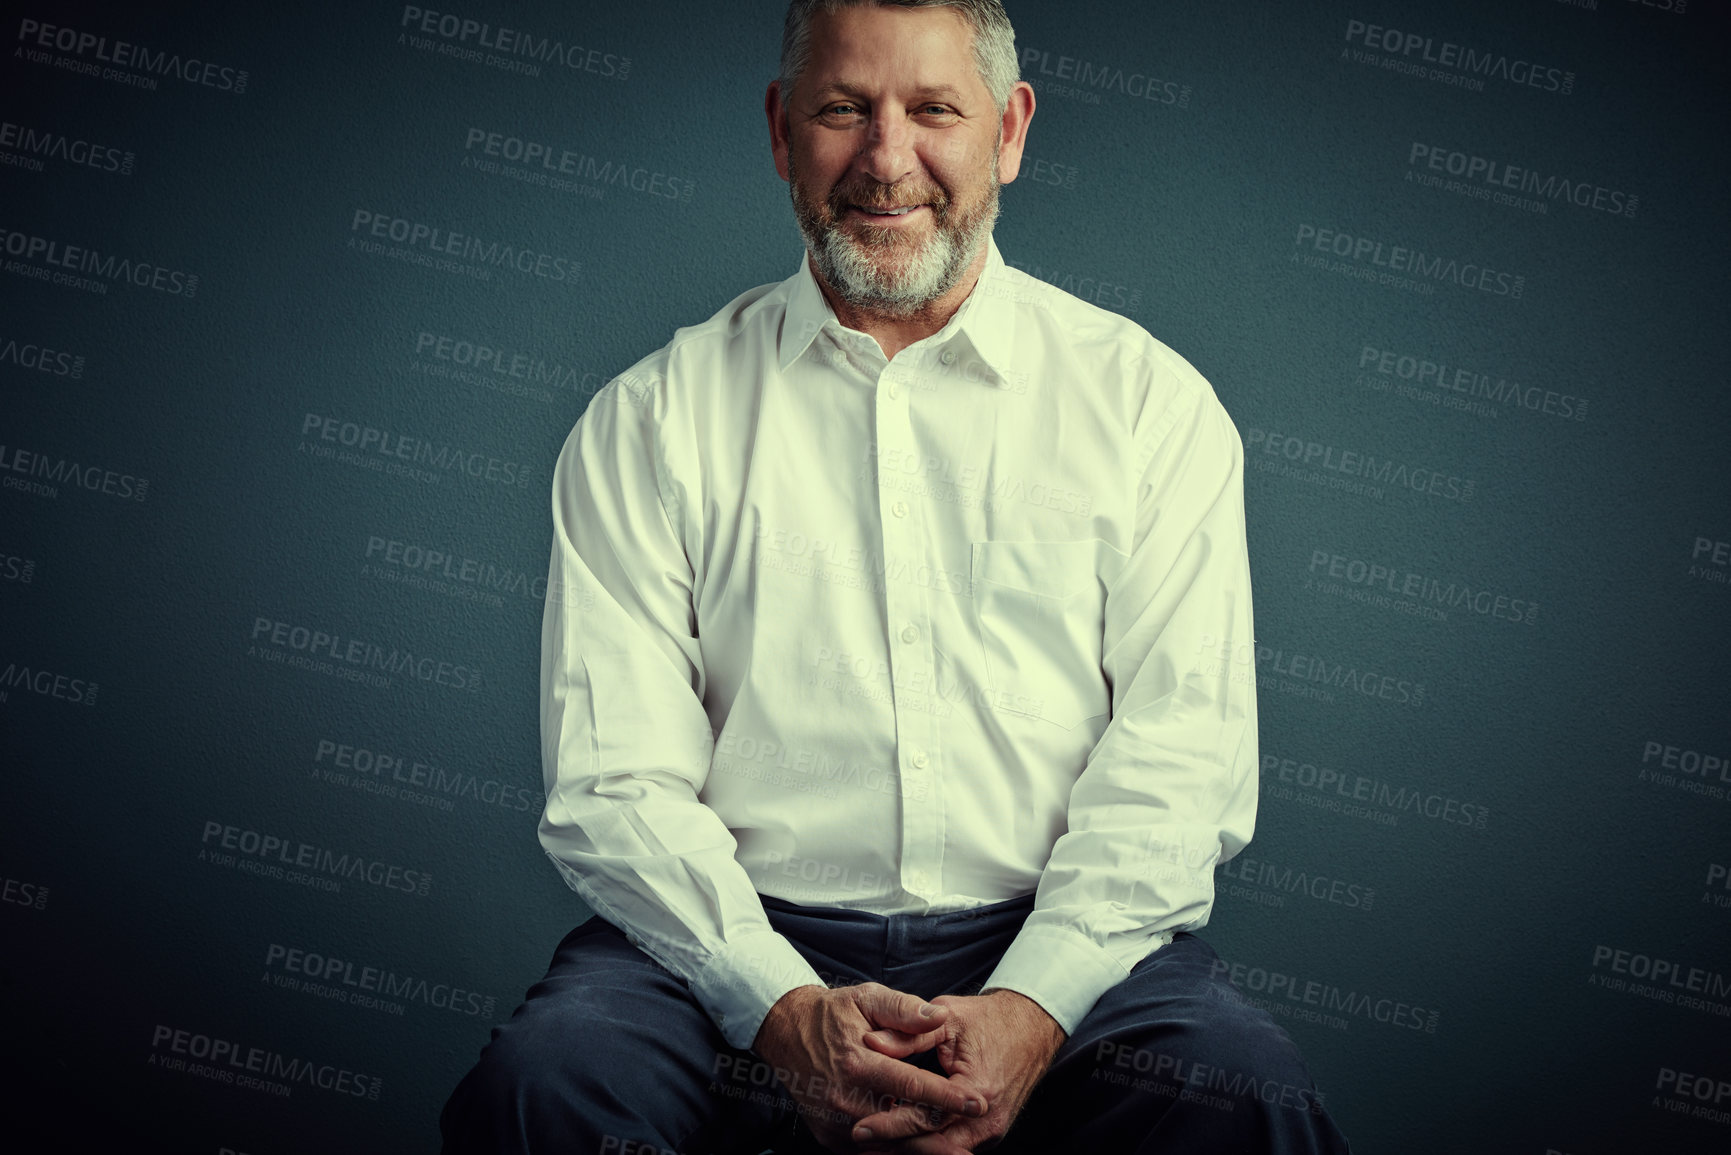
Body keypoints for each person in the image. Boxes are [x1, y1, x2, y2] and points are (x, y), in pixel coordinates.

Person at [441, 2, 1351, 1152]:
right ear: (782, 132)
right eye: (841, 110)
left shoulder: (1149, 410)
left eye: (933, 110)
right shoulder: (650, 422)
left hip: (1059, 936)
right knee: (546, 1088)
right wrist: (780, 1007)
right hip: (726, 934)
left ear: (1009, 132)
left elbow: (1180, 766)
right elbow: (615, 786)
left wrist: (1030, 1005)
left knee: (1248, 1101)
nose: (886, 159)